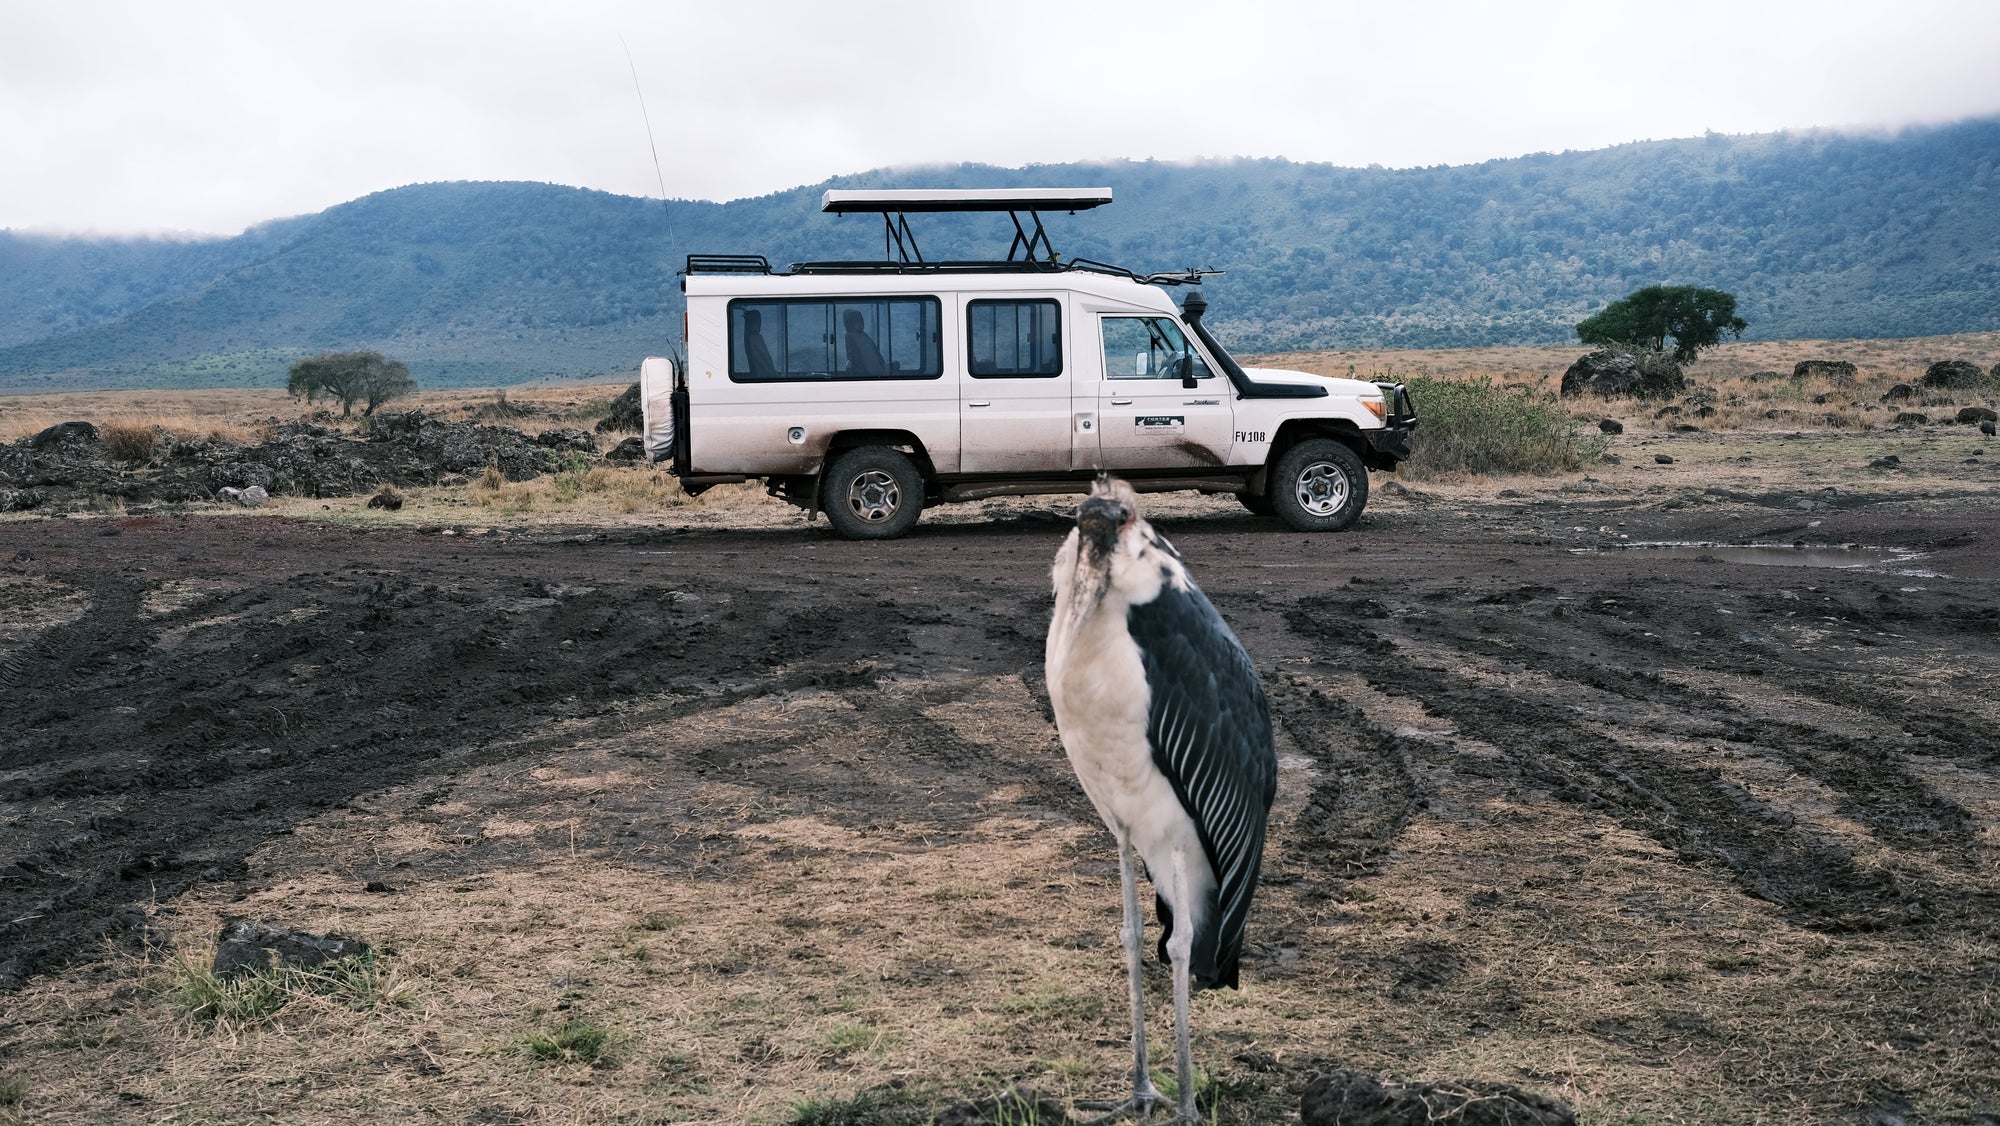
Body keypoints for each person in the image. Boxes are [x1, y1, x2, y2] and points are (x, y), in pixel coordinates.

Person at [842, 310, 887, 376]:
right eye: (857, 321)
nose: (861, 324)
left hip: (879, 370)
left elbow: (877, 353)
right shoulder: (850, 337)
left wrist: (883, 366)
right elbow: (854, 358)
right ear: (850, 323)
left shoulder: (864, 335)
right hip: (868, 373)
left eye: (861, 321)